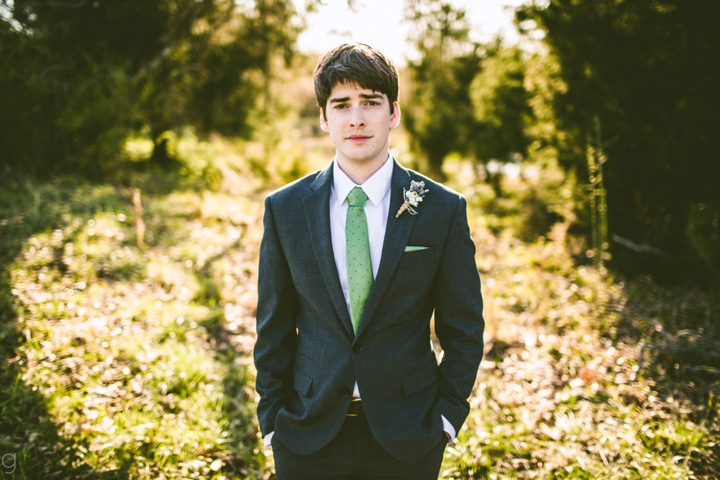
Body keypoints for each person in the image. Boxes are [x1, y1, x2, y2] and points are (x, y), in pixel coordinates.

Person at [254, 42, 485, 480]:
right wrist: (272, 423)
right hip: (306, 433)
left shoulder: (442, 209)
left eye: (370, 103)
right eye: (341, 104)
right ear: (324, 117)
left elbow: (464, 328)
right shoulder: (285, 210)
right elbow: (273, 327)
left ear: (393, 112)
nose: (356, 118)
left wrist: (447, 419)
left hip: (409, 437)